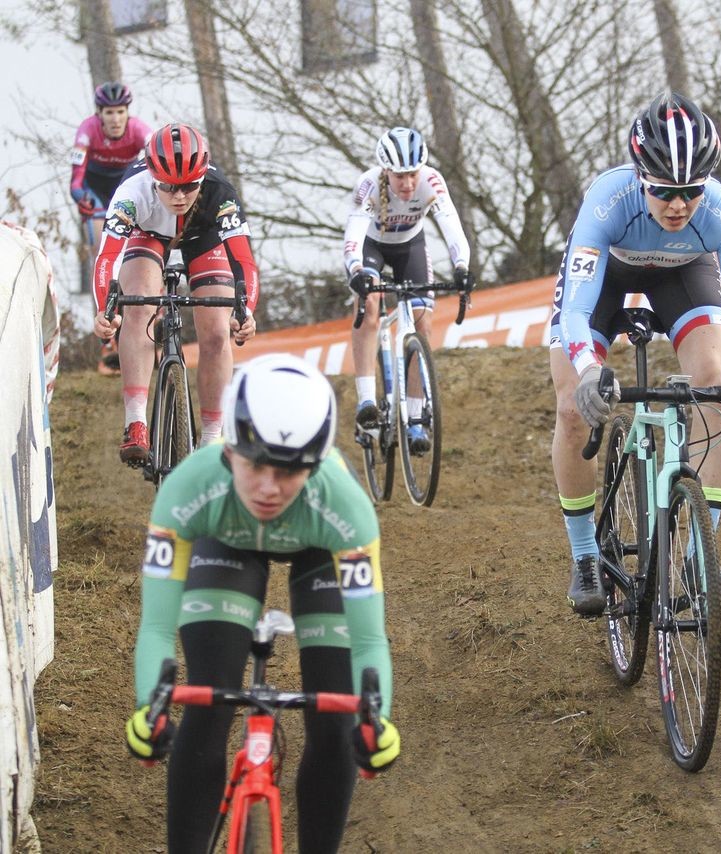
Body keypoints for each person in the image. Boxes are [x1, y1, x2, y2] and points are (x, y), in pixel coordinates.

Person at [123, 354, 400, 853]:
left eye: (292, 471)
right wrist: (151, 706)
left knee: (337, 728)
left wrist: (377, 721)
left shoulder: (345, 506)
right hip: (224, 542)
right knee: (207, 701)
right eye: (256, 465)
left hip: (318, 551)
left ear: (316, 465)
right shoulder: (189, 488)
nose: (270, 489)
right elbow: (157, 630)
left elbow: (368, 639)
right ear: (229, 450)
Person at [550, 91, 721, 616]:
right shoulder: (607, 199)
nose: (679, 205)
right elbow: (574, 312)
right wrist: (590, 369)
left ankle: (698, 552)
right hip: (607, 278)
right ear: (642, 177)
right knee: (573, 407)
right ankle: (584, 556)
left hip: (685, 276)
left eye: (691, 191)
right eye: (664, 192)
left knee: (715, 384)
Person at [92, 123, 258, 464]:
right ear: (153, 175)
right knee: (140, 305)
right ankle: (135, 421)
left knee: (215, 332)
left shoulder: (219, 192)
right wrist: (105, 309)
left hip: (204, 237)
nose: (179, 197)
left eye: (188, 187)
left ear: (202, 179)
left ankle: (213, 440)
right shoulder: (131, 191)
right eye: (168, 187)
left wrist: (246, 311)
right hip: (147, 233)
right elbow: (108, 256)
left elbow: (243, 260)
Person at [342, 126, 473, 451]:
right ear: (386, 171)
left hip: (410, 247)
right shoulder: (369, 184)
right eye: (400, 176)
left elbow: (452, 227)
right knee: (369, 306)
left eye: (412, 174)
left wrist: (461, 267)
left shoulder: (432, 182)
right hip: (372, 247)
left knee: (422, 322)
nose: (408, 183)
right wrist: (356, 270)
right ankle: (367, 401)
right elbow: (353, 237)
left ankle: (416, 419)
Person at [70, 82, 152, 375]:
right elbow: (76, 183)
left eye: (120, 112)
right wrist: (84, 201)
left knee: (139, 252)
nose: (115, 119)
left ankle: (147, 324)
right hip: (97, 193)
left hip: (127, 191)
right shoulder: (87, 131)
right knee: (100, 253)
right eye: (109, 113)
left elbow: (154, 172)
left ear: (127, 112)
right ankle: (106, 328)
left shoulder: (142, 131)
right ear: (99, 114)